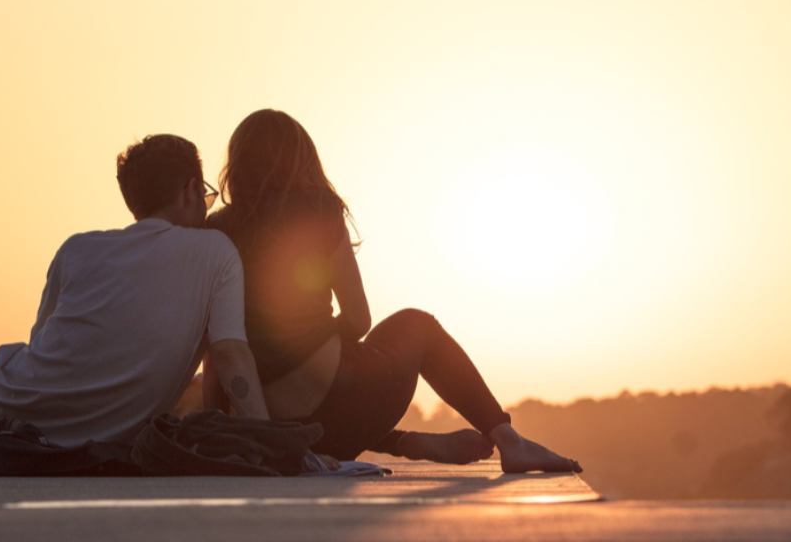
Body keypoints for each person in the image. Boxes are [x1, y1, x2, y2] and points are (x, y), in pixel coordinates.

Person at [204, 110, 581, 473]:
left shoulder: (216, 231)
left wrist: (223, 425)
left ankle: (400, 442)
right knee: (419, 325)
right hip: (343, 404)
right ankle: (509, 442)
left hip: (280, 428)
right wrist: (316, 343)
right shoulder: (318, 208)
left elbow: (216, 349)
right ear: (302, 161)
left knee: (321, 404)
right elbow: (358, 318)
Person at [0, 134, 272, 446]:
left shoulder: (76, 249)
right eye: (205, 196)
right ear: (191, 190)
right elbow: (230, 355)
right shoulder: (216, 252)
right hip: (75, 439)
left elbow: (44, 348)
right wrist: (276, 447)